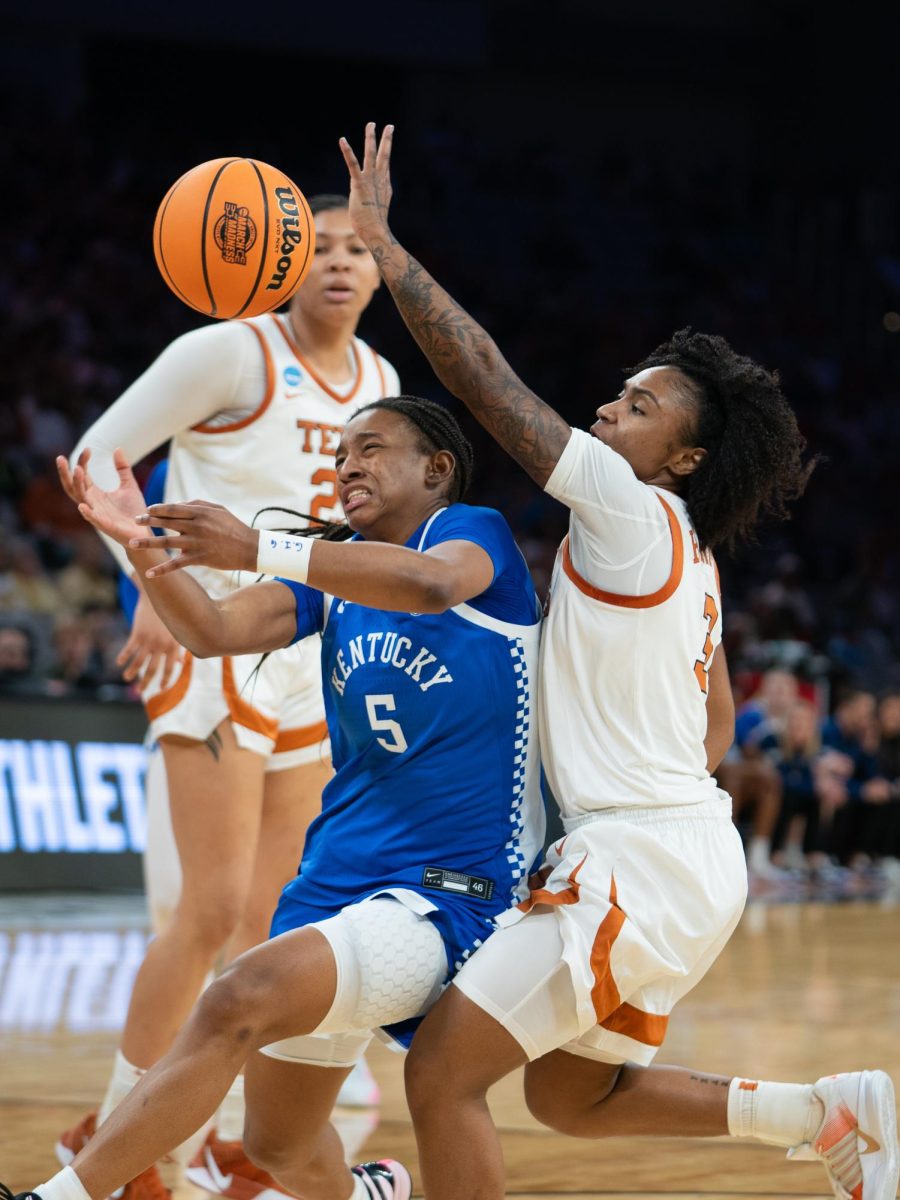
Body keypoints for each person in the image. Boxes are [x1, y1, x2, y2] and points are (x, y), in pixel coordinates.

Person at [335, 124, 898, 1200]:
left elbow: (490, 385)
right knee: (567, 1097)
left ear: (683, 456)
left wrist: (390, 253)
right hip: (681, 856)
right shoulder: (686, 556)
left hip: (637, 861)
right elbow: (717, 727)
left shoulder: (632, 510)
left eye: (639, 407)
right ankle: (827, 1113)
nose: (607, 408)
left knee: (446, 1076)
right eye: (620, 392)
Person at [12, 395, 543, 1200]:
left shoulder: (469, 535)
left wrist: (260, 544)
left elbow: (432, 587)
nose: (348, 465)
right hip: (333, 884)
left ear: (436, 470)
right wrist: (138, 550)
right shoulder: (334, 579)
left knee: (235, 998)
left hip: (444, 896)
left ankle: (61, 1197)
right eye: (340, 456)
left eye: (372, 449)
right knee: (281, 1146)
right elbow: (212, 631)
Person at [56, 194, 397, 1200]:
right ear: (280, 263)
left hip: (302, 651)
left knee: (269, 918)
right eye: (320, 247)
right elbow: (97, 461)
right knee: (205, 912)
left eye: (358, 251)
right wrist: (149, 576)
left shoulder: (380, 381)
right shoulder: (229, 354)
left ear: (381, 274)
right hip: (209, 640)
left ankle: (206, 1137)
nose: (339, 263)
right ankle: (118, 1145)